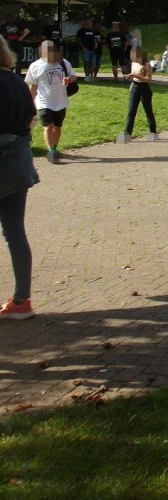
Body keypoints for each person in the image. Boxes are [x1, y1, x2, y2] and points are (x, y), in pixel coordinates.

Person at [0, 38, 38, 319]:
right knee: (15, 232)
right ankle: (22, 300)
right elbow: (30, 119)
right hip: (19, 160)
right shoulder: (16, 81)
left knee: (14, 232)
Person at [24, 40, 77, 165]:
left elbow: (73, 76)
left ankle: (54, 148)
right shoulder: (35, 66)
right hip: (44, 101)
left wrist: (70, 79)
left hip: (61, 101)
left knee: (57, 127)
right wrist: (29, 103)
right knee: (48, 126)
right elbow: (33, 87)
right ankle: (51, 151)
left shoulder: (64, 63)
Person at [117, 47, 158, 143]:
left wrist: (134, 76)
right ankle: (127, 134)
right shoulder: (133, 63)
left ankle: (153, 133)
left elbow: (148, 79)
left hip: (144, 89)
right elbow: (133, 75)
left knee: (148, 112)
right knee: (131, 112)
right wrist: (129, 77)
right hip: (134, 88)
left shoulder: (146, 64)